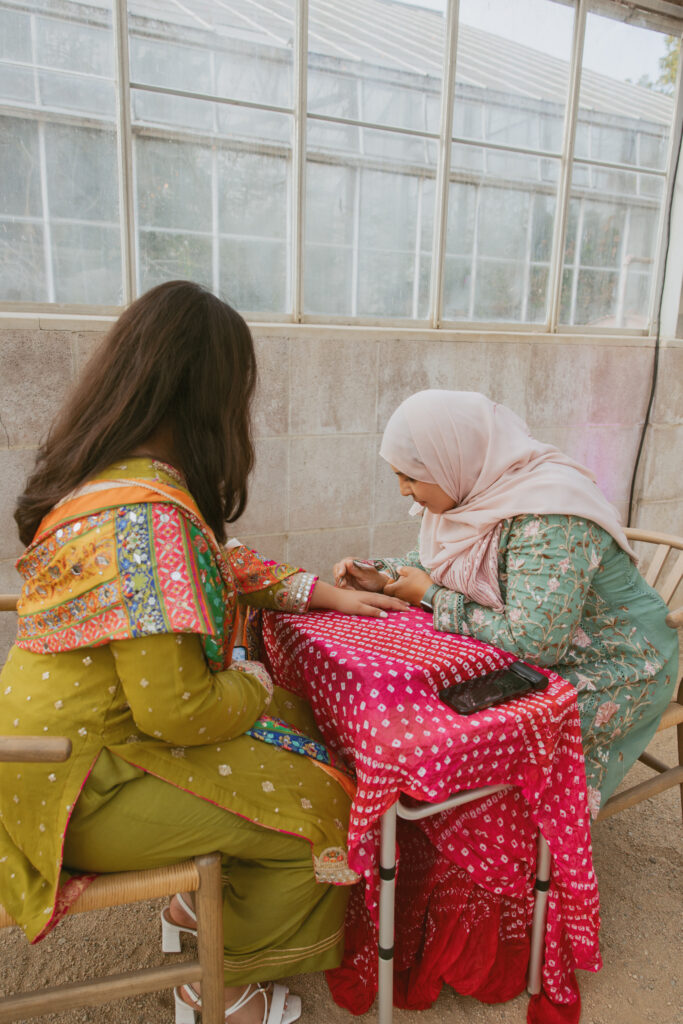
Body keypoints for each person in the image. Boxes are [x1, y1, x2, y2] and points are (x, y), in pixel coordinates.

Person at [0, 280, 406, 1024]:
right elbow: (179, 710)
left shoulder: (106, 481)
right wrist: (250, 675)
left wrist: (320, 591)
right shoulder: (147, 518)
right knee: (320, 802)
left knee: (293, 722)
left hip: (49, 751)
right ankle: (216, 988)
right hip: (83, 784)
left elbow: (220, 562)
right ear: (208, 396)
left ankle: (196, 912)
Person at [334, 389, 678, 817]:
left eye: (411, 476)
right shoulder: (471, 490)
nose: (403, 490)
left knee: (477, 738)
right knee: (426, 706)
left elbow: (535, 643)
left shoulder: (551, 515)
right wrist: (384, 576)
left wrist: (430, 597)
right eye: (397, 475)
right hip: (538, 647)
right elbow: (437, 563)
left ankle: (516, 855)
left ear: (450, 458)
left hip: (619, 661)